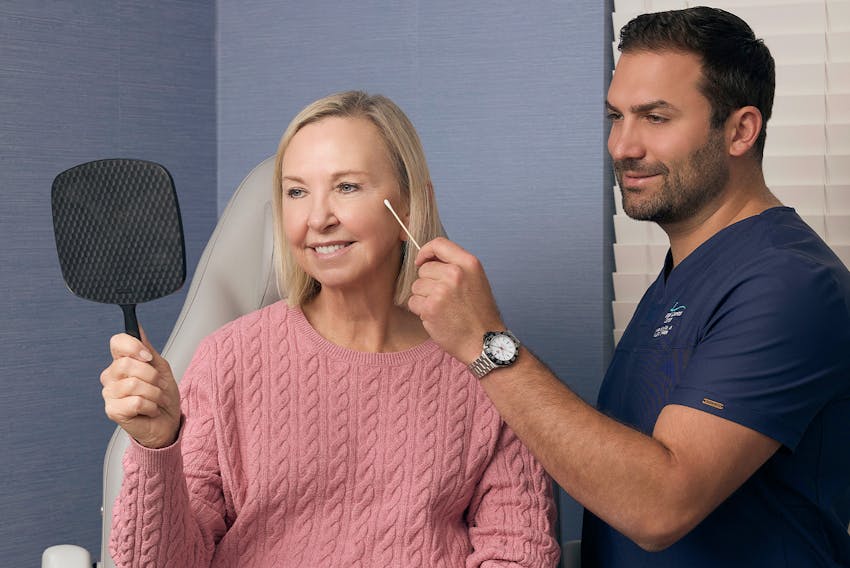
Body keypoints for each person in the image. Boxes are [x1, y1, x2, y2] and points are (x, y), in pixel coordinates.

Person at [408, 7, 850, 567]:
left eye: (655, 118)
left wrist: (485, 342)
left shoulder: (788, 284)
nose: (622, 146)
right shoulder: (683, 274)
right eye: (616, 117)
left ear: (740, 130)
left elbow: (659, 507)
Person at [100, 91, 559, 567]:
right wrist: (157, 445)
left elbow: (518, 552)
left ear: (411, 202)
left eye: (347, 187)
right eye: (297, 192)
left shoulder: (484, 365)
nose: (318, 219)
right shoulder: (227, 358)